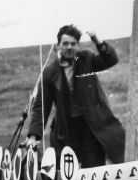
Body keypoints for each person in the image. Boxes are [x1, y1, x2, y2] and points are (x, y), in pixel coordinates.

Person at [26, 24, 125, 167]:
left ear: (78, 46)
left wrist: (96, 40)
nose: (69, 47)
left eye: (73, 44)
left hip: (91, 126)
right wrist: (34, 136)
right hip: (65, 130)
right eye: (65, 43)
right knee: (65, 171)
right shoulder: (49, 72)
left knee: (93, 168)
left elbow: (111, 60)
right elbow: (42, 105)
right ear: (58, 45)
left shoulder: (86, 59)